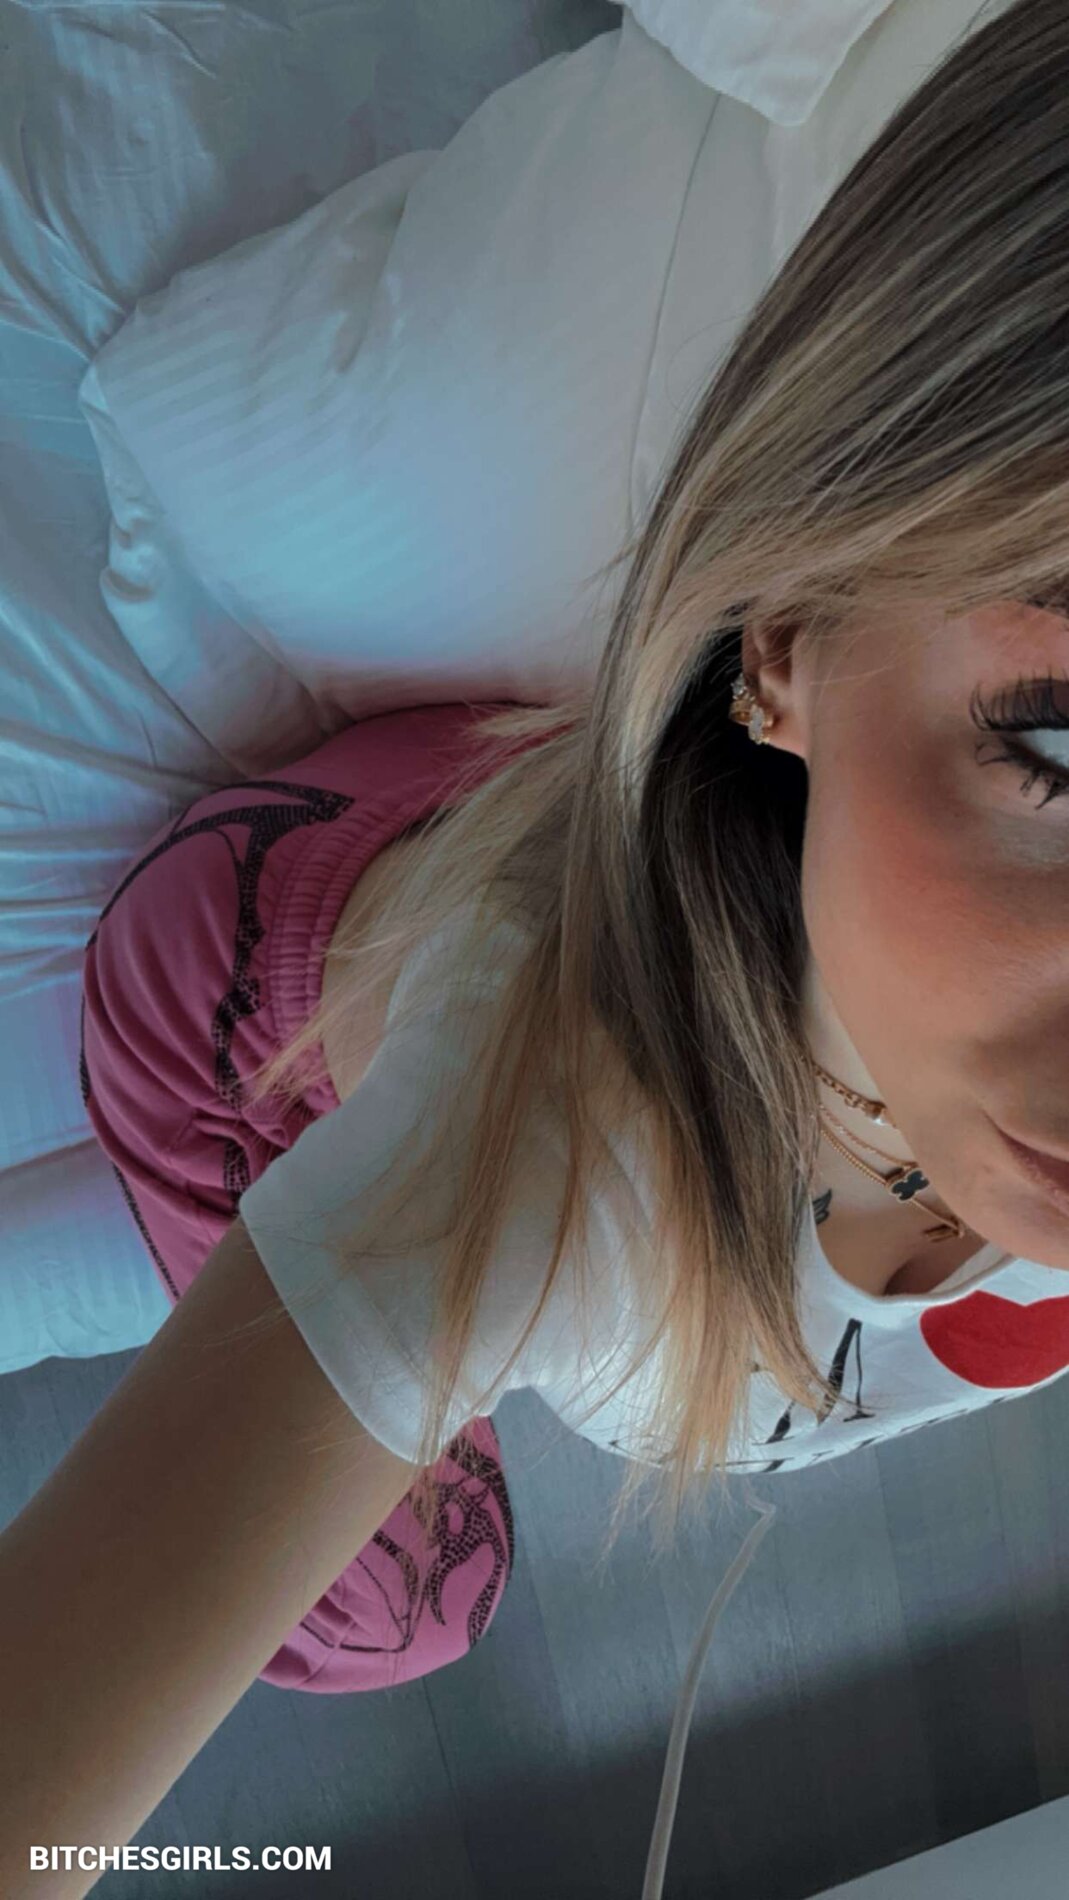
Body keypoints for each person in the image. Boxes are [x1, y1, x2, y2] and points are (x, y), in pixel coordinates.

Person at [5, 0, 1069, 1888]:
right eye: (1058, 747)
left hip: (458, 851)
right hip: (232, 965)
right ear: (783, 641)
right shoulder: (577, 1136)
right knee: (396, 1613)